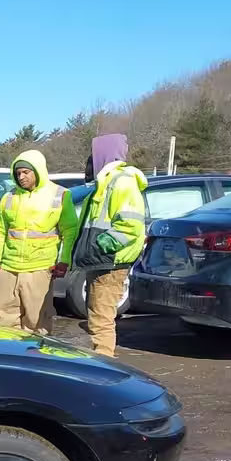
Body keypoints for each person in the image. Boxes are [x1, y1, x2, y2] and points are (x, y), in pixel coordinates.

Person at [71, 133, 148, 357]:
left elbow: (130, 225)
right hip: (100, 261)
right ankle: (100, 360)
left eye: (93, 155)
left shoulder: (122, 181)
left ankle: (104, 363)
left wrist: (101, 245)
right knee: (97, 316)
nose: (90, 162)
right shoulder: (104, 183)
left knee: (101, 319)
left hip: (110, 262)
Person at [0, 149, 79, 335]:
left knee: (37, 322)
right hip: (9, 268)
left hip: (39, 268)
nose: (21, 177)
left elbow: (70, 232)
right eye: (18, 173)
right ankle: (9, 353)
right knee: (5, 322)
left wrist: (64, 261)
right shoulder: (9, 197)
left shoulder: (60, 195)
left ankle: (36, 354)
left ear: (38, 171)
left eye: (25, 172)